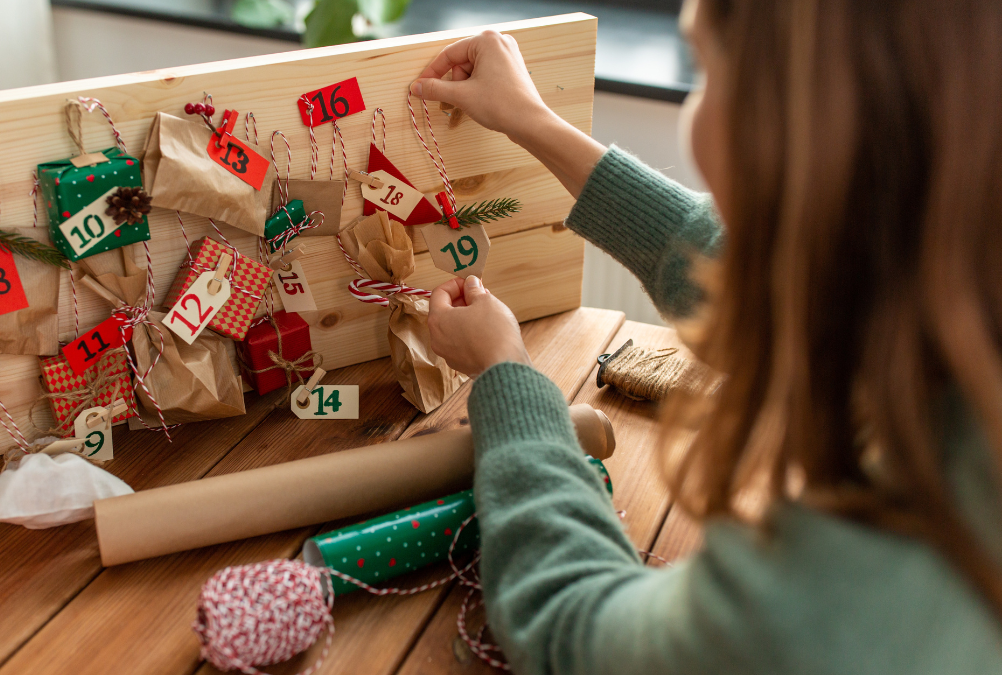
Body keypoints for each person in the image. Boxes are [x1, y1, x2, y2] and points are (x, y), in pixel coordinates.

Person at [416, 0, 1002, 672]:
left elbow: (574, 626)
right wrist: (532, 120)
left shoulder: (843, 588)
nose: (696, 116)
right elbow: (776, 293)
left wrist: (506, 374)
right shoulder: (956, 292)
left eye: (709, 72)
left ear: (805, 127)